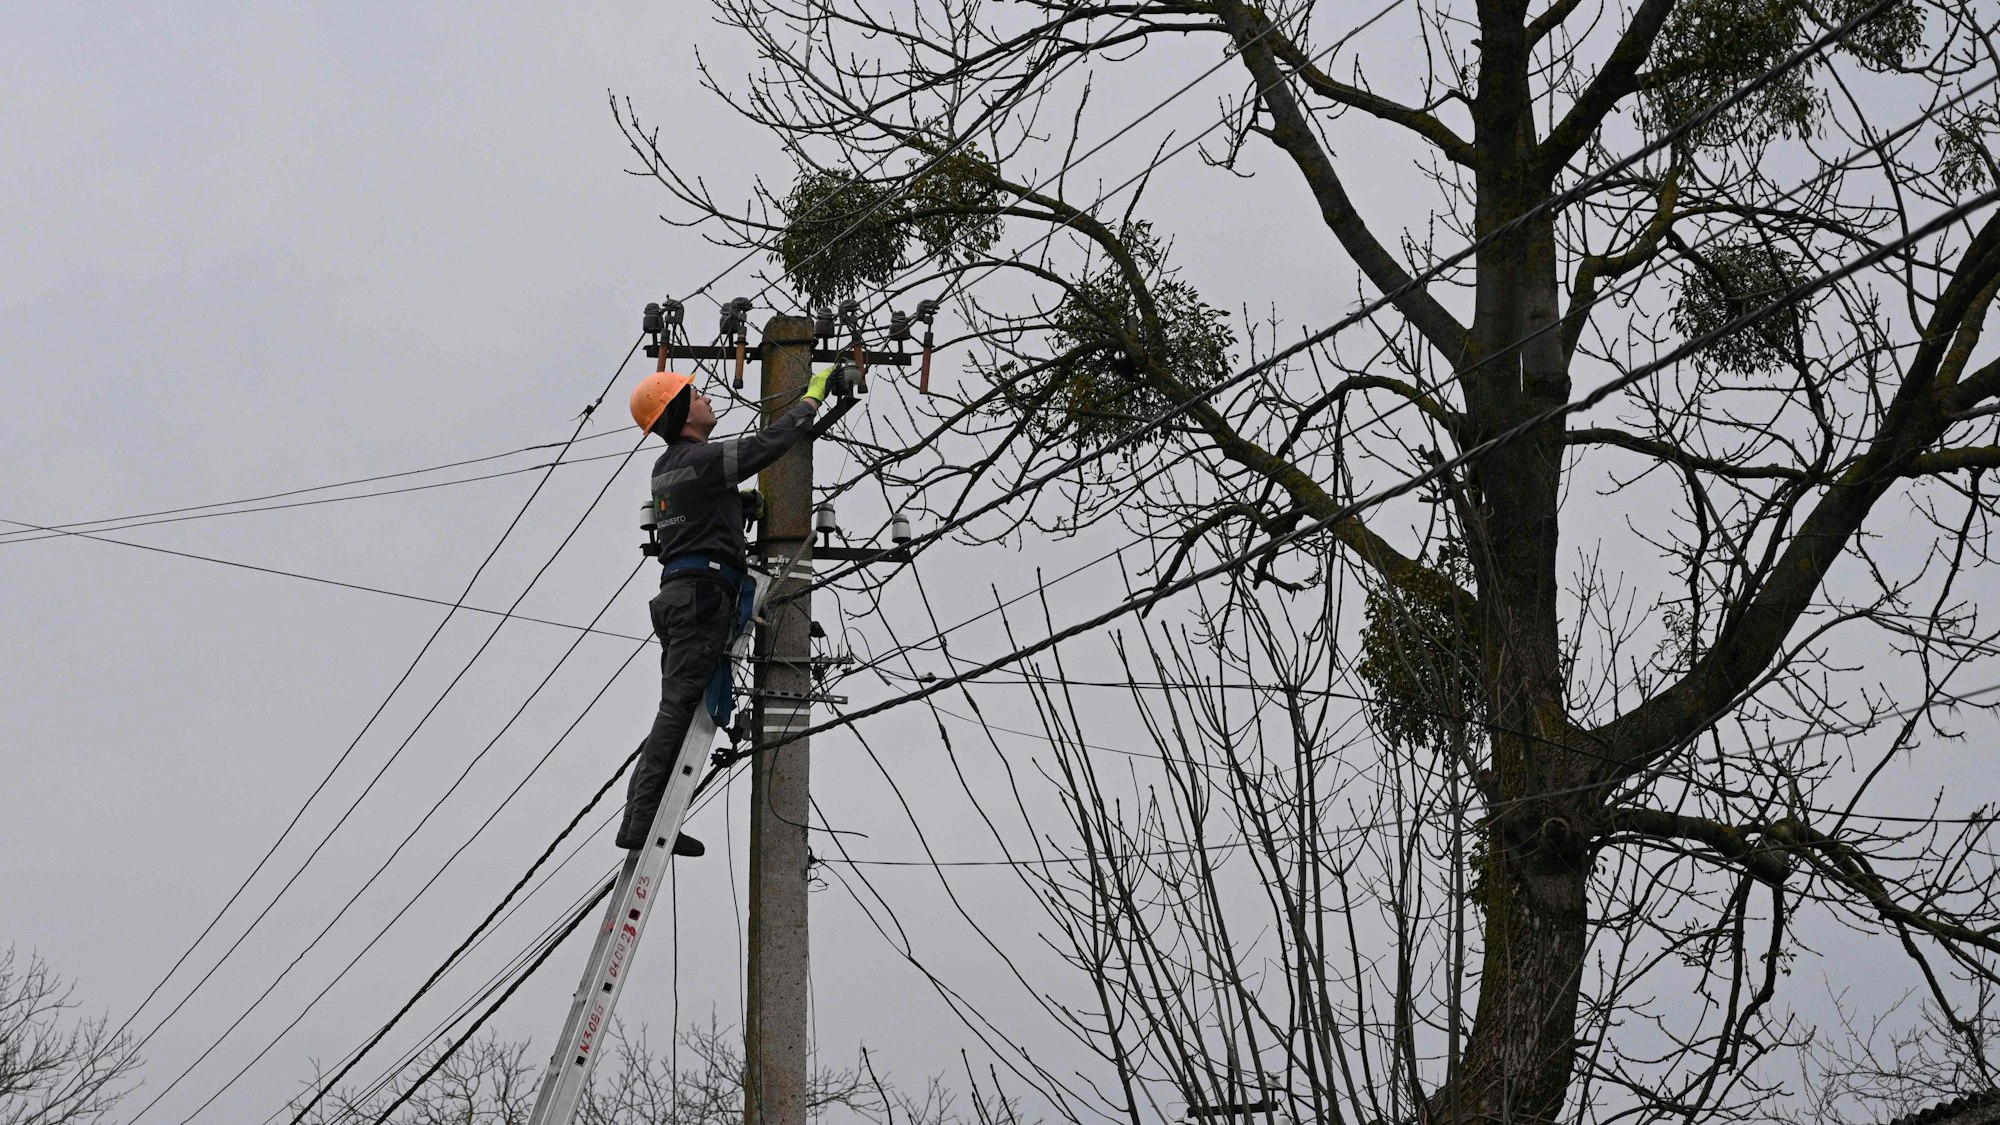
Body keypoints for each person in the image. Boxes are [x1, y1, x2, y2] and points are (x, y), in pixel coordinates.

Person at [617, 366, 840, 851]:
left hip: (683, 594)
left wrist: (738, 507)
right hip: (700, 596)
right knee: (677, 710)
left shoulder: (670, 467)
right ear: (680, 414)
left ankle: (641, 814)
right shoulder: (700, 460)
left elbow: (696, 510)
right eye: (696, 395)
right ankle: (642, 822)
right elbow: (762, 448)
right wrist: (809, 402)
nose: (707, 398)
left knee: (674, 709)